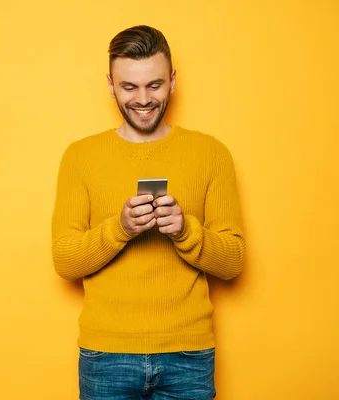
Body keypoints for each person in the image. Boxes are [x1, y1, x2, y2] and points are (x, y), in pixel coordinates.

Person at [51, 25, 245, 400]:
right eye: (129, 87)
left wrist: (186, 230)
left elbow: (234, 262)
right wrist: (120, 228)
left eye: (154, 85)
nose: (143, 99)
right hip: (106, 353)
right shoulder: (80, 157)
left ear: (173, 80)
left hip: (188, 353)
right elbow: (64, 261)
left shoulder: (211, 154)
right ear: (110, 84)